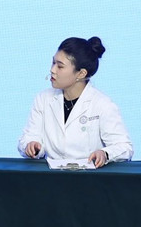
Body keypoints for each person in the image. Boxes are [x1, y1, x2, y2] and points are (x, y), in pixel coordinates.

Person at [18, 36, 133, 166]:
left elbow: (125, 148)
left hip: (88, 175)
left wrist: (105, 153)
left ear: (81, 74)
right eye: (53, 63)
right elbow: (28, 137)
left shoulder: (102, 104)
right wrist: (32, 145)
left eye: (60, 66)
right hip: (51, 174)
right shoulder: (43, 98)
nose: (52, 70)